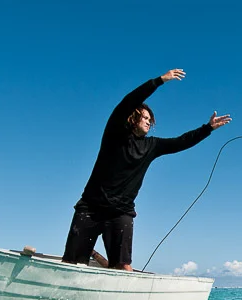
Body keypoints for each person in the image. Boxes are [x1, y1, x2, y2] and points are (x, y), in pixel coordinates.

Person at [62, 68, 231, 271]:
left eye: (151, 120)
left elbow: (180, 142)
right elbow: (128, 102)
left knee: (123, 267)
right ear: (132, 118)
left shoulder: (151, 146)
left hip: (121, 212)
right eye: (145, 118)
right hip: (90, 207)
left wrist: (207, 128)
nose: (149, 122)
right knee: (71, 263)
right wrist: (159, 81)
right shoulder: (114, 133)